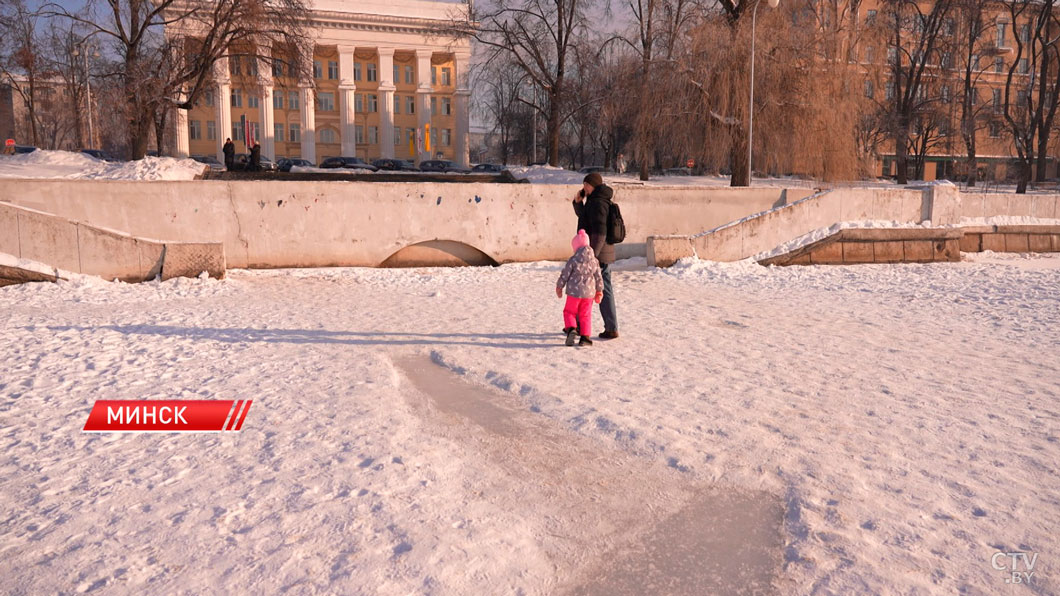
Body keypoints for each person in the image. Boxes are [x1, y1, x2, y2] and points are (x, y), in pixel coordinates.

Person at [572, 172, 619, 339]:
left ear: (595, 185)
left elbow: (600, 232)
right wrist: (579, 203)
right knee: (591, 288)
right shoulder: (595, 201)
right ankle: (605, 326)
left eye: (587, 185)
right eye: (584, 184)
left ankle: (609, 327)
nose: (584, 187)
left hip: (599, 254)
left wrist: (592, 256)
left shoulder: (598, 203)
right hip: (598, 252)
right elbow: (585, 219)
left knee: (594, 289)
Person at [556, 230, 603, 347]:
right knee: (585, 315)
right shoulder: (594, 261)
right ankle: (585, 337)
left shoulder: (573, 260)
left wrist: (559, 286)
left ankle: (571, 328)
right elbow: (598, 277)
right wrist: (599, 291)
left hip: (573, 293)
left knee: (569, 312)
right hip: (589, 294)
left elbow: (565, 274)